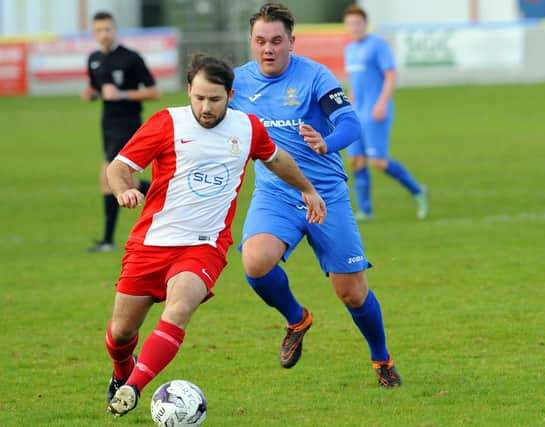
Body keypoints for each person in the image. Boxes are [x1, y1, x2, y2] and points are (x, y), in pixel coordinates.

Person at [104, 54, 326, 418]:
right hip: (151, 244)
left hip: (203, 246)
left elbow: (275, 158)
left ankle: (134, 388)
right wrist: (124, 190)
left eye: (215, 99)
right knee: (121, 332)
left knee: (178, 310)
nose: (205, 108)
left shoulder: (247, 128)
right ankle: (121, 371)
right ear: (189, 90)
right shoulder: (167, 124)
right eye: (199, 98)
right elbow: (119, 167)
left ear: (230, 95)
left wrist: (308, 189)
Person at [229, 3, 402, 388]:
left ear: (292, 41)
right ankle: (296, 318)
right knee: (255, 262)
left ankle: (381, 358)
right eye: (260, 41)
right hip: (276, 194)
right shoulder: (237, 83)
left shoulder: (314, 77)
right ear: (251, 42)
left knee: (352, 293)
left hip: (327, 196)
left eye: (276, 41)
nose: (268, 49)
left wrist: (327, 143)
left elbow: (350, 122)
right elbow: (207, 113)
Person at [81, 11, 160, 252]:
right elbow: (97, 88)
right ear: (94, 33)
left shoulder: (131, 58)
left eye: (107, 29)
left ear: (115, 30)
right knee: (126, 181)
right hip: (107, 124)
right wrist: (92, 94)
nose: (104, 34)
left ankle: (107, 241)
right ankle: (163, 190)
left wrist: (123, 94)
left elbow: (154, 92)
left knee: (108, 176)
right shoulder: (94, 59)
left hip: (128, 123)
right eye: (99, 30)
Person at [343, 4, 428, 221]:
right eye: (351, 24)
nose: (355, 27)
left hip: (375, 112)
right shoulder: (349, 49)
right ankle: (365, 211)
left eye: (358, 23)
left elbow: (390, 75)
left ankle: (417, 190)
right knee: (356, 161)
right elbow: (357, 81)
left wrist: (382, 102)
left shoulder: (377, 45)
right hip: (356, 112)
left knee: (378, 161)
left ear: (365, 24)